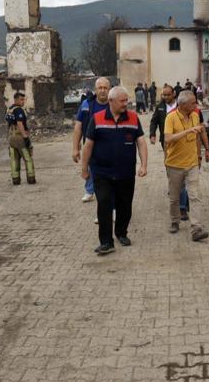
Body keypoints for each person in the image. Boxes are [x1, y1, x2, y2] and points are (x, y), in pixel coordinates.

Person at [81, 86, 148, 254]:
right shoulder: (97, 119)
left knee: (124, 205)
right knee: (104, 204)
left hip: (125, 172)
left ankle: (121, 233)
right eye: (123, 101)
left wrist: (144, 165)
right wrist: (84, 169)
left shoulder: (133, 118)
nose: (126, 103)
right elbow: (88, 145)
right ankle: (106, 242)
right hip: (102, 172)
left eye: (127, 100)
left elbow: (141, 142)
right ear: (111, 101)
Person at [164, 91, 209, 241]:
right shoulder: (171, 117)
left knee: (194, 196)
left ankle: (196, 228)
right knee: (174, 198)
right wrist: (188, 131)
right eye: (193, 103)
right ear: (183, 104)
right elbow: (168, 139)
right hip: (174, 165)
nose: (196, 105)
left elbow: (199, 134)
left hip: (191, 164)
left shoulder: (195, 116)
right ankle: (174, 221)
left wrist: (205, 151)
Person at [72, 77, 110, 202]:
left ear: (109, 89)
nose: (103, 91)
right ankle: (89, 190)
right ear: (95, 89)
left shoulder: (114, 103)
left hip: (109, 146)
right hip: (90, 145)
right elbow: (78, 127)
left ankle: (111, 205)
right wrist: (75, 148)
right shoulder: (86, 105)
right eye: (100, 88)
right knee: (90, 167)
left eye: (105, 88)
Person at [6, 92, 35, 185]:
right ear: (16, 100)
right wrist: (26, 137)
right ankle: (31, 178)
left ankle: (16, 179)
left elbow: (9, 123)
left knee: (14, 159)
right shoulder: (19, 110)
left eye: (24, 100)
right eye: (21, 100)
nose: (23, 102)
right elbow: (19, 123)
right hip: (19, 137)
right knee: (28, 158)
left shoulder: (9, 109)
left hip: (11, 137)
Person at [149, 84, 177, 150]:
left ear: (174, 94)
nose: (166, 97)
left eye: (168, 95)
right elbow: (153, 122)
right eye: (164, 95)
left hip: (179, 138)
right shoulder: (159, 107)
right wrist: (152, 135)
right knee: (168, 158)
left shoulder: (180, 106)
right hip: (165, 139)